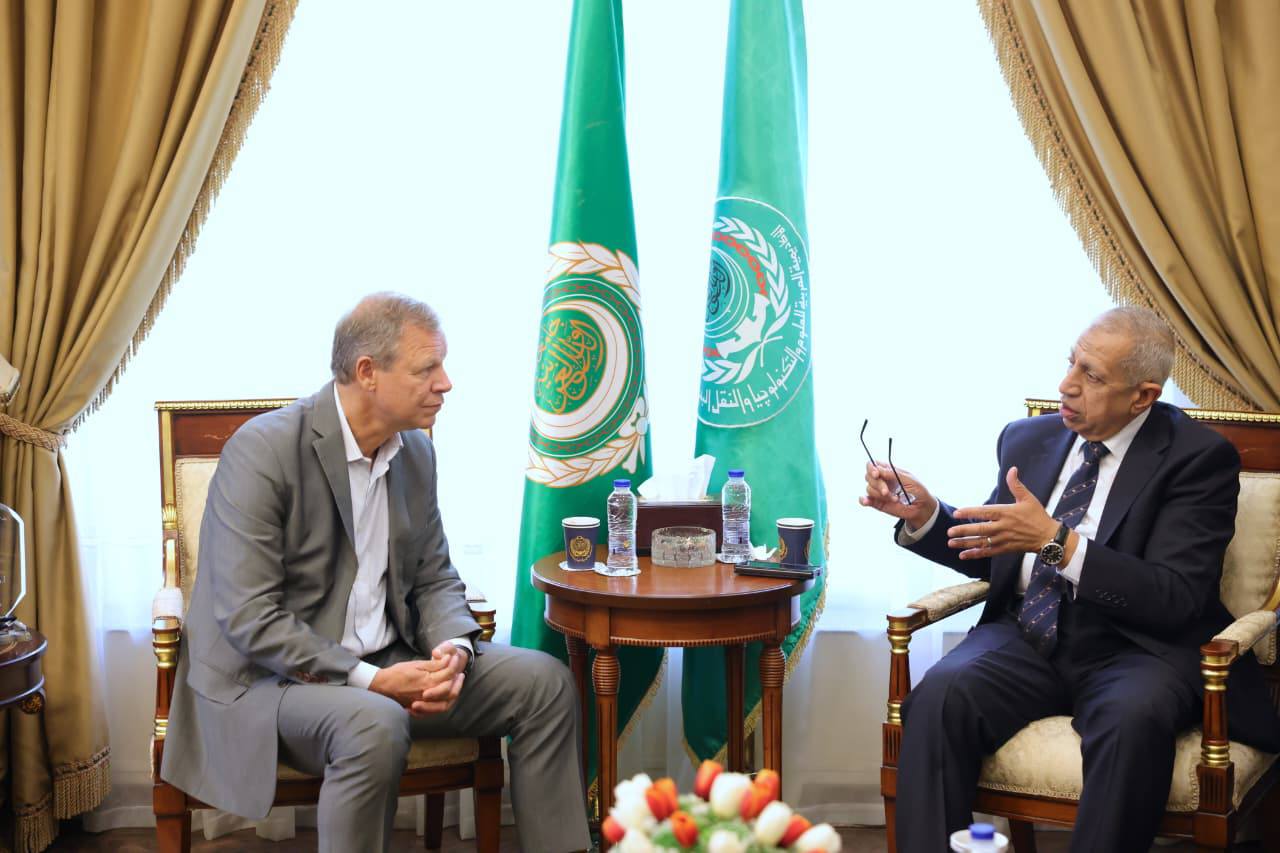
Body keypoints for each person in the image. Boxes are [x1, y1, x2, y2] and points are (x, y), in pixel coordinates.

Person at [161, 293, 591, 853]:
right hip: (270, 683)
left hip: (388, 662)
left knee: (544, 684)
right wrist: (370, 680)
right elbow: (249, 618)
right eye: (427, 368)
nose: (445, 383)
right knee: (373, 723)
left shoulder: (415, 453)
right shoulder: (262, 451)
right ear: (367, 372)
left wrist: (454, 650)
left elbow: (435, 576)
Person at [861, 306, 1280, 853]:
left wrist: (1055, 542)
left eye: (1092, 376)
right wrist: (927, 515)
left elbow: (1175, 596)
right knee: (939, 697)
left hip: (1138, 647)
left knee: (1130, 721)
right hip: (1027, 635)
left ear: (1143, 396)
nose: (1067, 385)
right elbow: (998, 554)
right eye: (1071, 363)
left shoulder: (1197, 458)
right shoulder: (1026, 439)